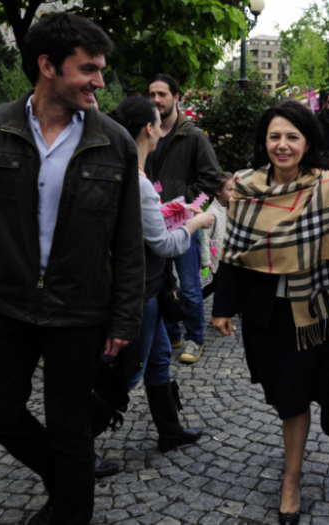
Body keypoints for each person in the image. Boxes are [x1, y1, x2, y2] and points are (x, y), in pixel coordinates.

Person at [0, 13, 143, 525]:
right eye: (88, 69)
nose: (99, 81)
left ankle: (70, 510)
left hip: (80, 310)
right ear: (47, 66)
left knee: (70, 427)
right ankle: (69, 477)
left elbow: (129, 244)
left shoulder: (115, 144)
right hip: (9, 304)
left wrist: (124, 321)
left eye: (101, 69)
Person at [211, 100, 329, 525]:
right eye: (275, 136)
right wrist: (222, 306)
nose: (283, 145)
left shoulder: (328, 187)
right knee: (276, 391)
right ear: (264, 141)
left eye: (292, 136)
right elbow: (233, 253)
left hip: (308, 310)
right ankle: (292, 457)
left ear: (307, 142)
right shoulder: (246, 187)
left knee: (292, 396)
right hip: (260, 310)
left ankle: (292, 479)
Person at [100, 96, 212, 467]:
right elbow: (161, 244)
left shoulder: (123, 168)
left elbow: (139, 228)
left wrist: (173, 212)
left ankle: (169, 431)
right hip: (141, 292)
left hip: (144, 288)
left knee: (160, 359)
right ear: (150, 129)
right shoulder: (138, 179)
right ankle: (77, 443)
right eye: (157, 121)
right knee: (128, 373)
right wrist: (194, 223)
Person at [146, 74, 221, 364]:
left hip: (184, 226)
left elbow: (212, 178)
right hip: (155, 223)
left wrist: (191, 208)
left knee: (190, 286)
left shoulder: (192, 135)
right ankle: (171, 332)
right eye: (152, 94)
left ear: (177, 98)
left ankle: (195, 338)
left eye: (162, 94)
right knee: (160, 284)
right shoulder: (147, 132)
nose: (156, 99)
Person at [201, 171, 235, 298]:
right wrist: (206, 261)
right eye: (230, 189)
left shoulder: (231, 208)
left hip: (228, 258)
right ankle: (194, 301)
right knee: (219, 286)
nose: (234, 193)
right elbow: (205, 237)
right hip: (217, 259)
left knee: (219, 286)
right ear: (218, 191)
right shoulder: (211, 212)